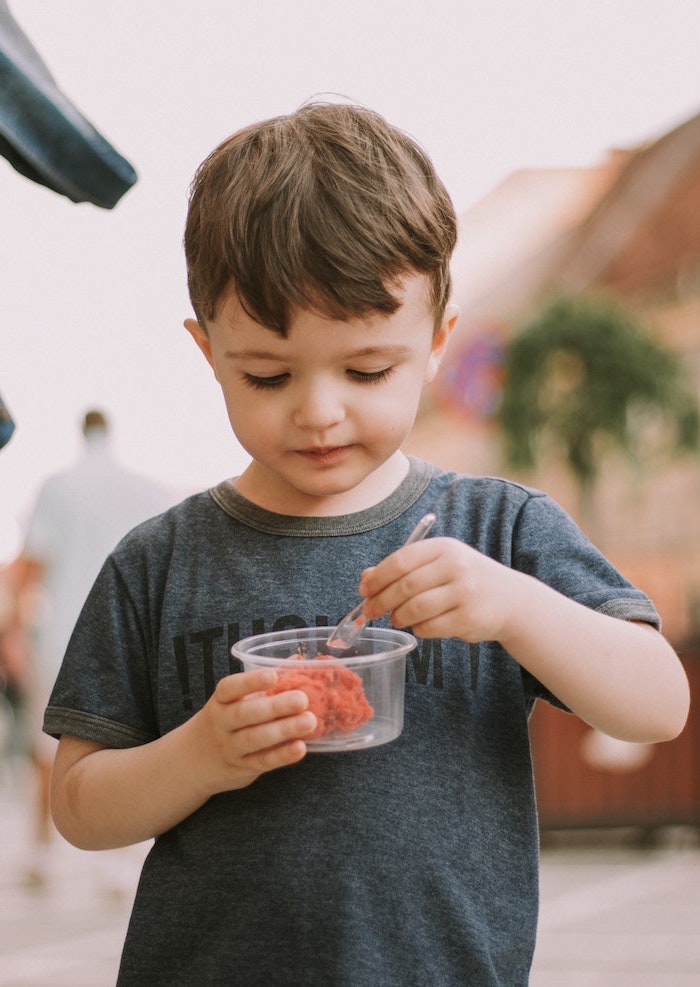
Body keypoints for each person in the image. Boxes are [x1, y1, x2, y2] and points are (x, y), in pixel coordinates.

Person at [44, 103, 689, 985]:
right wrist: (196, 755)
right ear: (207, 352)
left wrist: (514, 605)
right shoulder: (158, 560)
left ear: (436, 345)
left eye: (367, 369)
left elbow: (657, 703)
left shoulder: (496, 532)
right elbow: (79, 804)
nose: (318, 410)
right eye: (267, 374)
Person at [16, 409, 174, 885]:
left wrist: (13, 631)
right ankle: (120, 864)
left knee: (47, 748)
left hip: (63, 630)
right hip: (134, 631)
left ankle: (42, 856)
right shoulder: (147, 489)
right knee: (128, 743)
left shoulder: (57, 486)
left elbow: (34, 567)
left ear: (80, 431)